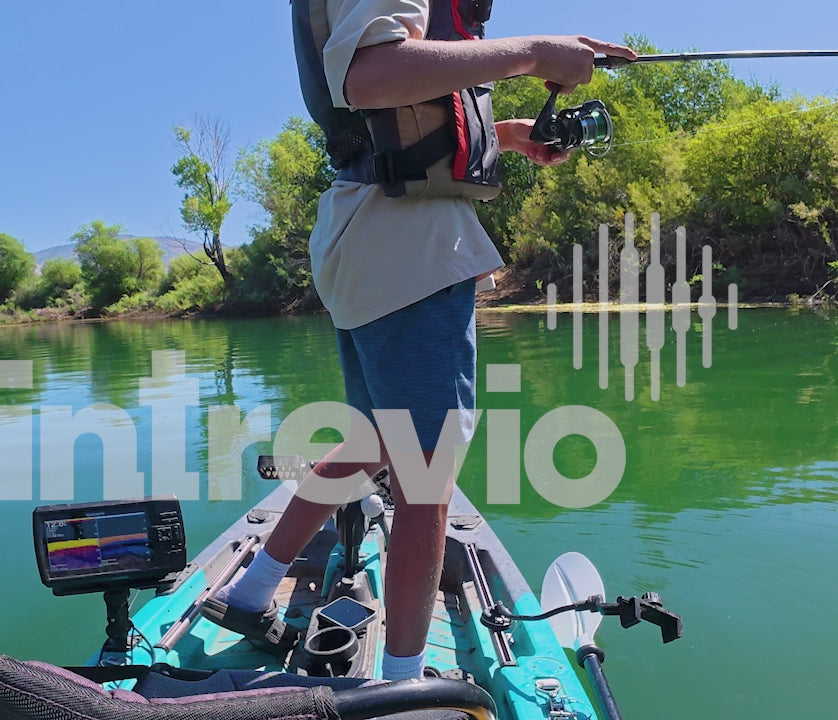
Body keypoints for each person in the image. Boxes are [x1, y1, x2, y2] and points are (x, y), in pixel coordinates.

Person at [203, 0, 636, 681]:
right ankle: (403, 685)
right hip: (408, 246)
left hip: (374, 238)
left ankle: (253, 589)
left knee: (374, 440)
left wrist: (510, 133)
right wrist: (533, 53)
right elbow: (373, 76)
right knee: (426, 475)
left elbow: (392, 114)